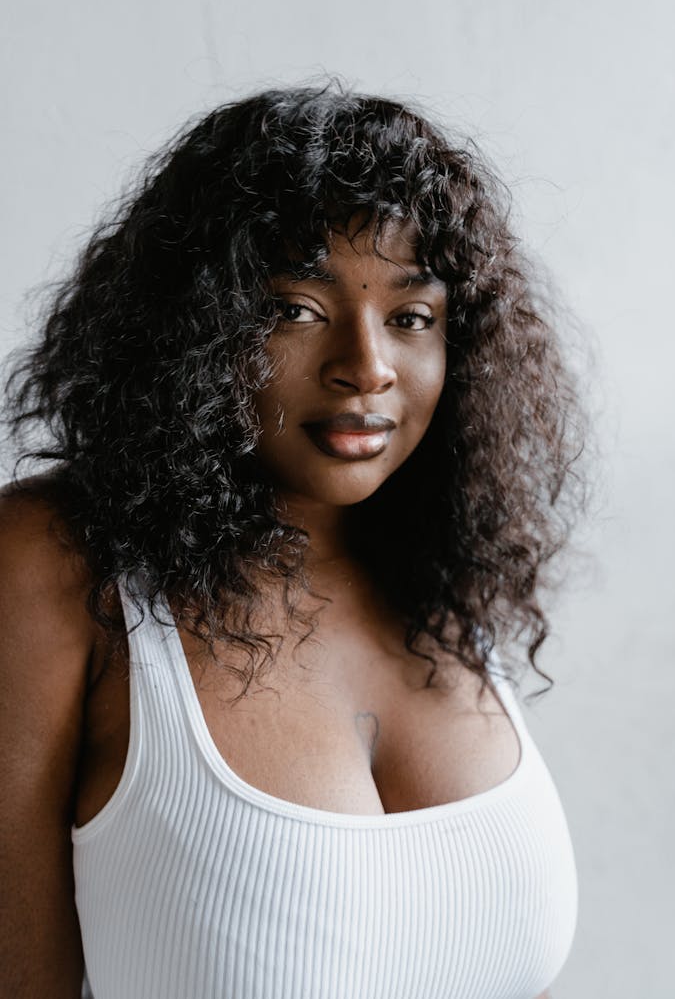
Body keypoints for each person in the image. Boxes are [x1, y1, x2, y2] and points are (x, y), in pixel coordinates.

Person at [0, 83, 588, 999]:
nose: (366, 367)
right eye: (296, 310)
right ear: (190, 327)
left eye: (412, 316)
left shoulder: (441, 572)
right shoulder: (56, 565)